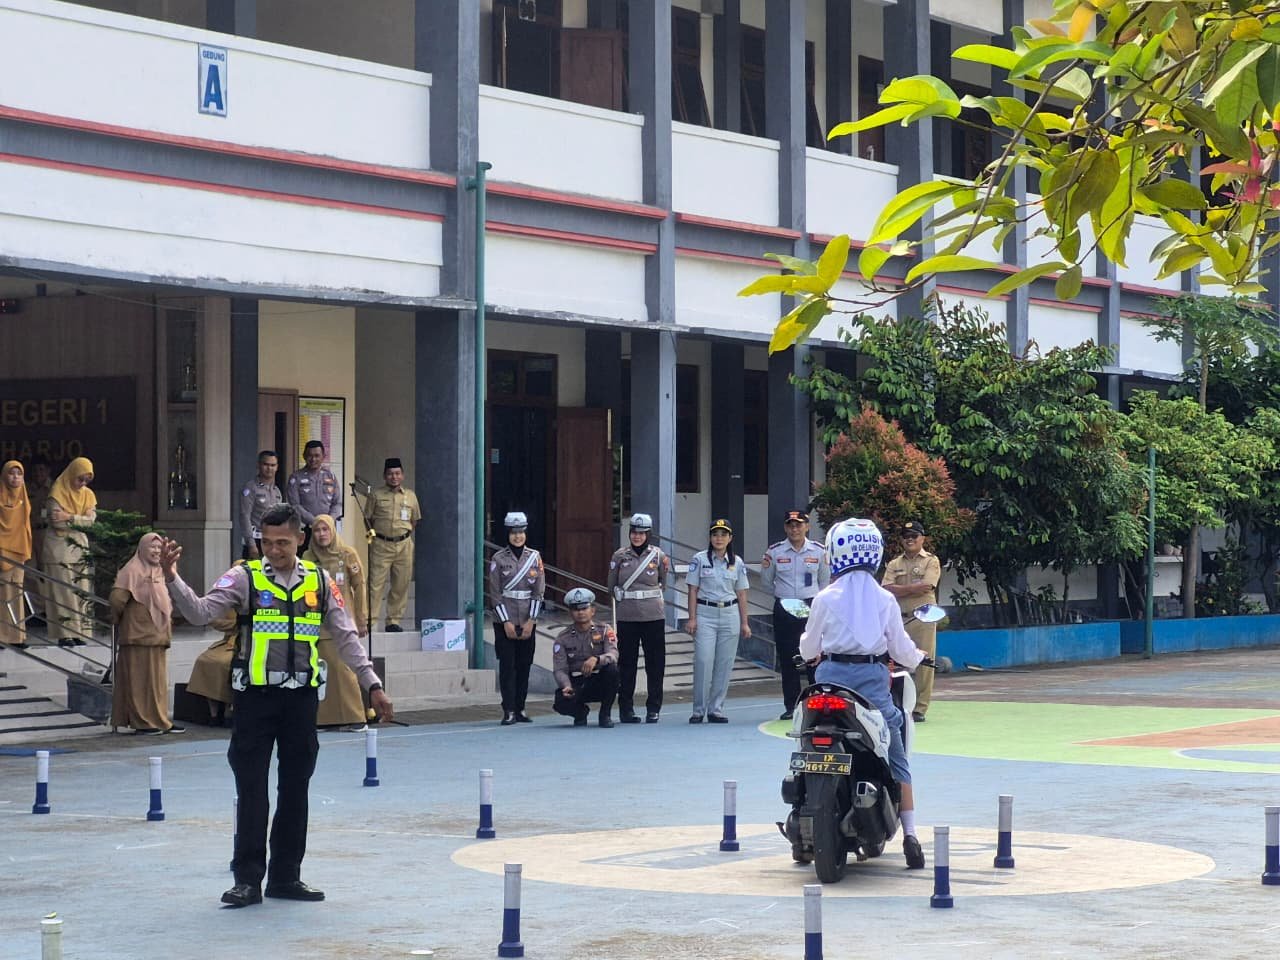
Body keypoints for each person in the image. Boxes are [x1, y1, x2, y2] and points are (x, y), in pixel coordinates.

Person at [160, 503, 394, 908]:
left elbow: (346, 638)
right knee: (251, 791)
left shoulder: (320, 581)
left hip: (300, 701)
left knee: (295, 789)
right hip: (254, 700)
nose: (274, 550)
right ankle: (247, 880)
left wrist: (372, 684)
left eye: (282, 542)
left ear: (300, 539)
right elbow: (199, 613)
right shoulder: (244, 577)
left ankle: (286, 877)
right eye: (266, 543)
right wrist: (172, 578)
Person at [799, 517, 928, 869]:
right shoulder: (884, 598)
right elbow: (900, 648)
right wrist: (919, 658)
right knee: (897, 754)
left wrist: (813, 655)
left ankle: (801, 802)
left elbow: (810, 646)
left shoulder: (825, 597)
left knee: (805, 736)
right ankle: (912, 837)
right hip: (872, 686)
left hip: (828, 684)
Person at [109, 533, 184, 734]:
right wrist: (122, 620)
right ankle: (142, 722)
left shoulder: (161, 570)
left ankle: (160, 720)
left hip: (158, 636)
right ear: (142, 549)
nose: (156, 552)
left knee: (157, 684)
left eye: (159, 549)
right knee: (139, 682)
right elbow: (117, 600)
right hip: (137, 636)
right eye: (152, 548)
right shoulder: (131, 570)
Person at [761, 509, 829, 720]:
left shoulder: (819, 551)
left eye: (799, 524)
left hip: (810, 607)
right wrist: (785, 597)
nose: (795, 529)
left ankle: (817, 703)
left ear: (807, 526)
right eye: (790, 525)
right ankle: (792, 706)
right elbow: (766, 581)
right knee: (787, 657)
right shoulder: (775, 552)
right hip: (784, 607)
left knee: (814, 656)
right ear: (785, 527)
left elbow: (824, 581)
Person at [302, 514, 368, 729]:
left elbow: (359, 586)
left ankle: (355, 717)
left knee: (344, 669)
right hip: (316, 622)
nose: (321, 534)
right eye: (317, 530)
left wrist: (361, 619)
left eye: (325, 530)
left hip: (342, 621)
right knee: (320, 669)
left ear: (332, 531)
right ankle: (324, 719)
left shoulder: (347, 554)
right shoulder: (308, 558)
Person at [684, 518, 751, 724]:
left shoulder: (737, 562)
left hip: (729, 614)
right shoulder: (700, 559)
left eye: (723, 534)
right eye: (715, 534)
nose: (719, 538)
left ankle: (716, 709)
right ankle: (698, 709)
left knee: (725, 663)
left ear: (730, 538)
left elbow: (741, 594)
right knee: (703, 661)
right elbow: (692, 590)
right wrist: (692, 618)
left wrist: (744, 622)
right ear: (710, 537)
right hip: (706, 613)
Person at [607, 511, 670, 724]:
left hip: (653, 616)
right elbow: (611, 585)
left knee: (655, 664)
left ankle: (654, 708)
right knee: (627, 665)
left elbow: (663, 582)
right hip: (627, 617)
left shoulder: (659, 556)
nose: (637, 537)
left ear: (648, 534)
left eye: (642, 533)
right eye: (634, 532)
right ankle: (626, 709)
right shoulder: (619, 556)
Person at [881, 521, 942, 723]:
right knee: (896, 661)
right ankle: (897, 702)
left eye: (914, 536)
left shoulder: (931, 561)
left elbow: (927, 586)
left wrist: (900, 589)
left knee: (924, 664)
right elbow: (886, 588)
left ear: (922, 538)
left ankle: (920, 708)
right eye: (906, 536)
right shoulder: (894, 563)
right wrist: (912, 587)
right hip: (898, 618)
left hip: (923, 617)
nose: (910, 539)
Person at [488, 511, 544, 725]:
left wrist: (531, 621)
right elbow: (495, 593)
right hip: (505, 619)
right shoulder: (498, 559)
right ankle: (508, 709)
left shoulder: (534, 557)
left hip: (527, 619)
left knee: (524, 665)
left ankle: (520, 707)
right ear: (508, 534)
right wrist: (507, 623)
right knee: (507, 666)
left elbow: (539, 592)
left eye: (521, 532)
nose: (518, 537)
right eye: (513, 533)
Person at [43, 457, 96, 647]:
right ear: (71, 474)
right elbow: (57, 522)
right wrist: (79, 520)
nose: (82, 484)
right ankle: (65, 634)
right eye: (79, 479)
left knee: (81, 593)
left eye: (86, 481)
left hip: (80, 549)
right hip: (59, 550)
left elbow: (91, 523)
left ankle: (81, 633)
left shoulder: (88, 495)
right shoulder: (56, 493)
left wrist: (70, 517)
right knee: (62, 593)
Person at [364, 457, 420, 631]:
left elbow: (415, 520)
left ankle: (393, 621)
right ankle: (370, 621)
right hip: (381, 544)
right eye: (390, 474)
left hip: (404, 545)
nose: (394, 477)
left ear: (402, 475)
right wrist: (376, 536)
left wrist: (403, 535)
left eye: (397, 473)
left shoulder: (410, 496)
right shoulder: (376, 495)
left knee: (401, 584)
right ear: (384, 476)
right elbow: (367, 519)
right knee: (375, 584)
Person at [552, 587, 620, 728]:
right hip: (577, 682)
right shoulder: (562, 638)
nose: (581, 612)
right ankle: (580, 713)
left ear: (592, 611)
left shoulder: (605, 630)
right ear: (570, 612)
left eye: (584, 608)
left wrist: (597, 659)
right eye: (576, 609)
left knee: (612, 670)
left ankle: (605, 714)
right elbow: (560, 669)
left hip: (599, 680)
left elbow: (613, 654)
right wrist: (566, 685)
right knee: (560, 703)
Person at [185, 609, 240, 726]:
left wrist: (238, 623)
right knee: (204, 660)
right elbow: (218, 622)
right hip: (229, 642)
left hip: (244, 642)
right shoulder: (231, 602)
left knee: (225, 664)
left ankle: (228, 709)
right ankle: (213, 713)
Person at [287, 441, 343, 552]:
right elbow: (295, 505)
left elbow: (337, 503)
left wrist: (328, 521)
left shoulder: (330, 476)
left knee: (328, 562)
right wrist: (315, 521)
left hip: (328, 529)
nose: (313, 459)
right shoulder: (296, 477)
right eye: (309, 455)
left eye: (317, 456)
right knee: (306, 564)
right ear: (304, 456)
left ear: (323, 457)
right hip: (306, 530)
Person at [0, 461, 32, 646]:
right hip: (2, 550)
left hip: (19, 551)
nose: (15, 477)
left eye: (19, 474)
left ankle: (17, 636)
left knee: (16, 594)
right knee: (2, 594)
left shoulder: (23, 496)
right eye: (11, 473)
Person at [238, 451, 283, 561]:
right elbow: (245, 516)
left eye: (273, 465)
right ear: (258, 465)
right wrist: (251, 543)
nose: (269, 468)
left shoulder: (277, 492)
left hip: (272, 542)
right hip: (256, 541)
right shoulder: (250, 488)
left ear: (277, 467)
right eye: (266, 464)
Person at [25, 456, 51, 623]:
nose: (38, 474)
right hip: (30, 534)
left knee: (49, 573)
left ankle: (53, 612)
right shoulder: (27, 489)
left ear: (48, 471)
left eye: (42, 470)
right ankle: (40, 611)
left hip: (49, 535)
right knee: (29, 572)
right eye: (35, 471)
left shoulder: (55, 488)